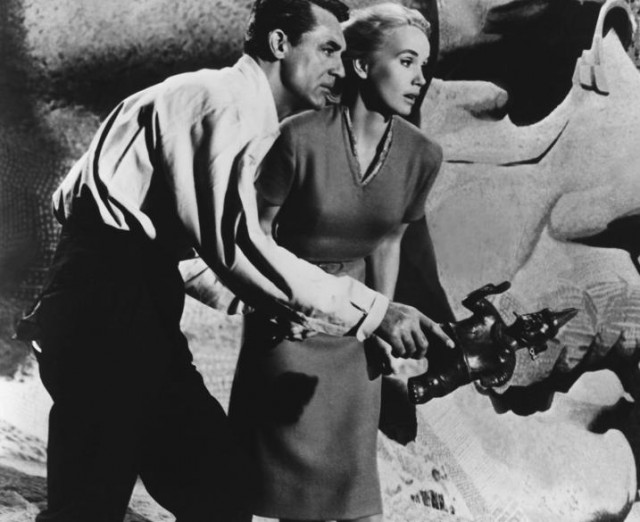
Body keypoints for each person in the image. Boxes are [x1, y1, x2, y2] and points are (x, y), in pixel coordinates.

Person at [15, 0, 452, 520]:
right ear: (279, 44)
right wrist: (376, 311)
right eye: (327, 49)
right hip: (104, 313)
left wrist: (278, 306)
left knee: (219, 487)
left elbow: (184, 247)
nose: (340, 67)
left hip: (135, 300)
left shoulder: (233, 109)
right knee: (90, 506)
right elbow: (238, 247)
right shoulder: (222, 105)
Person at [228, 4, 443, 521]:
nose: (420, 78)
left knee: (354, 497)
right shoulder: (297, 136)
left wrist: (377, 323)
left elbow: (388, 243)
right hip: (287, 328)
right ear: (362, 66)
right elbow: (255, 235)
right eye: (407, 62)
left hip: (357, 334)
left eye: (424, 65)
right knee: (288, 498)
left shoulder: (423, 156)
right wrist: (278, 307)